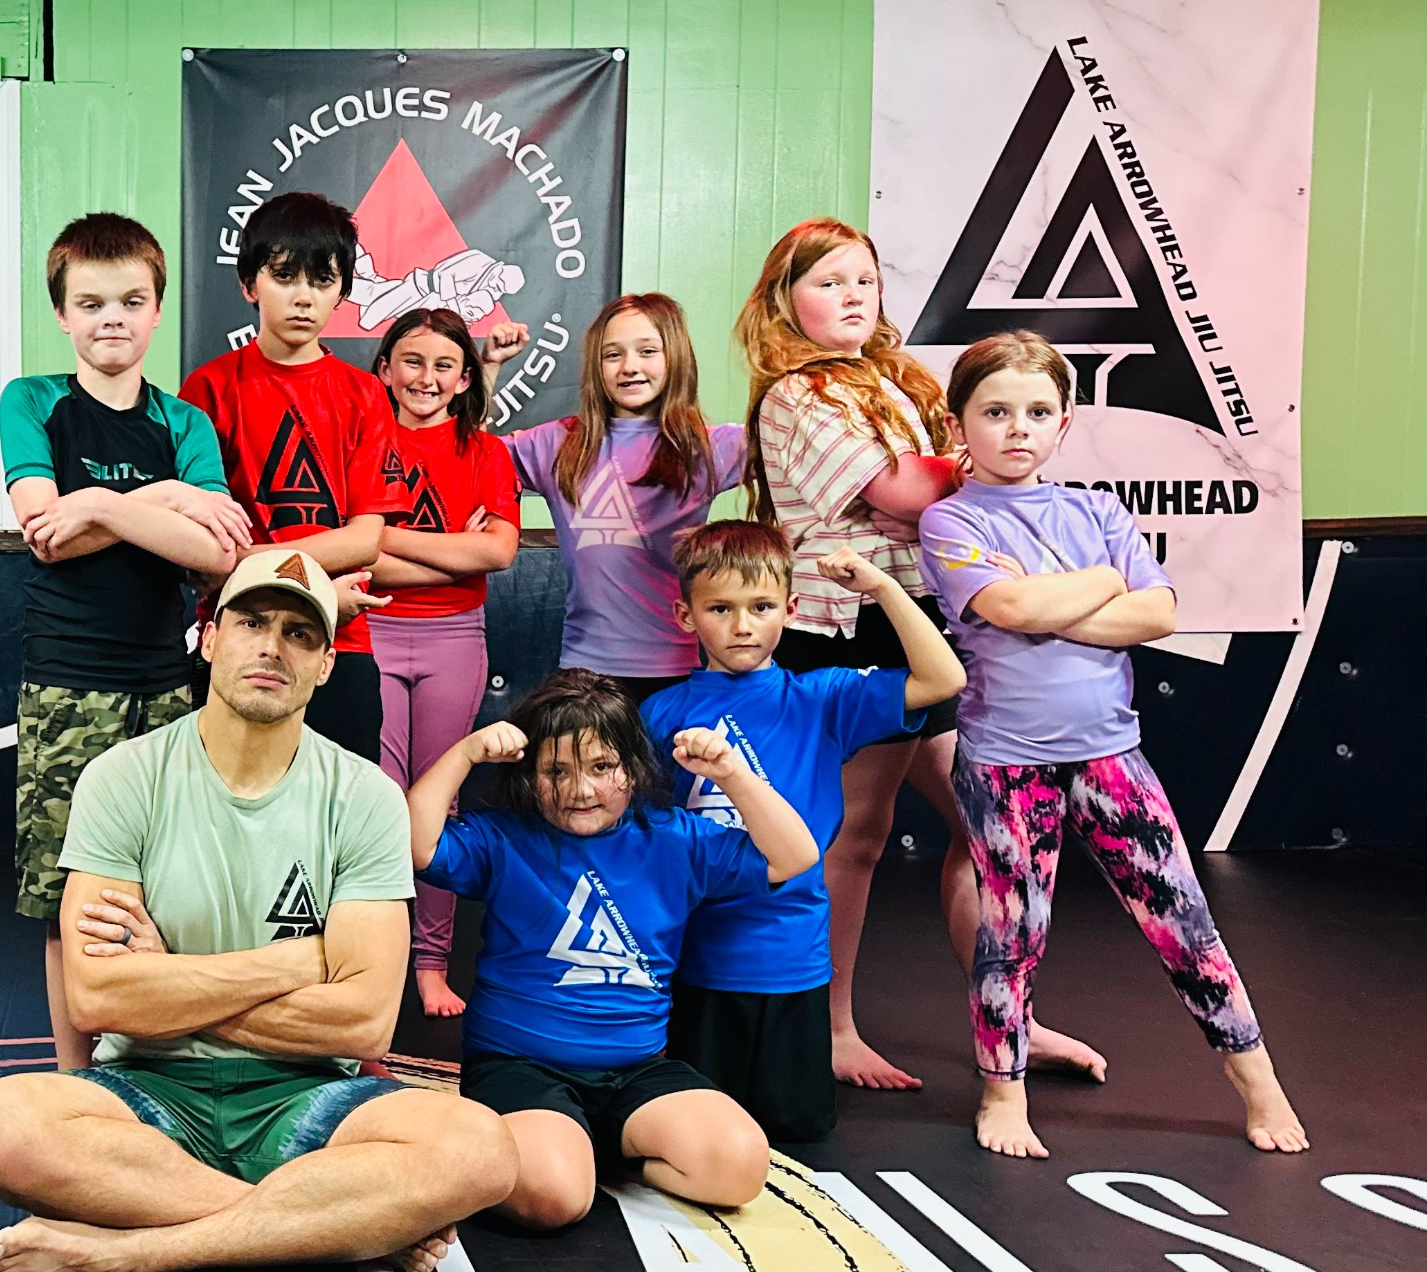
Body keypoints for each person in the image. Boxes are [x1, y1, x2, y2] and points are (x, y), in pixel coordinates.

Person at [0, 548, 516, 1272]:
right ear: (210, 638)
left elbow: (362, 1025)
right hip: (149, 1089)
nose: (272, 647)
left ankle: (136, 1249)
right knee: (0, 1123)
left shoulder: (365, 797)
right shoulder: (123, 777)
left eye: (299, 634)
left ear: (325, 665)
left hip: (310, 1096)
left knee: (479, 1147)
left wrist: (168, 979)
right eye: (252, 622)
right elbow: (96, 999)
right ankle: (324, 1226)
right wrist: (299, 961)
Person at [916, 332, 1305, 1159]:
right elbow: (1011, 608)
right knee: (1013, 930)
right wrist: (1100, 584)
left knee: (1182, 917)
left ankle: (1258, 1079)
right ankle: (1003, 1092)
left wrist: (1054, 602)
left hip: (1110, 753)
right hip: (1005, 760)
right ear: (959, 423)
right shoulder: (950, 519)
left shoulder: (1097, 512)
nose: (1017, 428)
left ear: (1063, 423)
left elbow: (1158, 613)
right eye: (996, 412)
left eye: (1037, 412)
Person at [734, 217, 1099, 1091]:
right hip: (850, 627)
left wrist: (956, 469)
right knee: (856, 834)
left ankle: (1012, 1015)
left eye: (864, 279)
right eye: (828, 282)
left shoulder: (896, 378)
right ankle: (830, 1026)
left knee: (985, 825)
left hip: (920, 621)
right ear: (785, 299)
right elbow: (902, 489)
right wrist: (972, 463)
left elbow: (934, 490)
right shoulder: (797, 394)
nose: (852, 296)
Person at [406, 670, 813, 1228]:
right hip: (520, 1065)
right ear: (529, 775)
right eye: (557, 771)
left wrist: (732, 774)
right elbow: (417, 845)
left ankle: (602, 1153)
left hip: (635, 1070)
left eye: (602, 767)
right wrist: (465, 754)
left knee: (737, 1168)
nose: (581, 790)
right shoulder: (505, 837)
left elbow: (795, 856)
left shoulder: (674, 838)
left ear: (634, 768)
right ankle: (556, 1151)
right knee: (554, 1197)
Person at [2, 212, 253, 1071]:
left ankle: (153, 1066)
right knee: (65, 898)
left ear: (156, 310)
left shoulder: (183, 422)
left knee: (163, 889)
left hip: (165, 687)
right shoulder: (33, 401)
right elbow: (46, 531)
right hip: (66, 683)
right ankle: (74, 1079)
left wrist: (103, 503)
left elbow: (216, 552)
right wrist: (166, 499)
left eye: (131, 301)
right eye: (91, 302)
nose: (112, 317)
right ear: (62, 313)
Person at [641, 521, 964, 1142]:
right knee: (698, 1133)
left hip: (793, 957)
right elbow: (644, 841)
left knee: (800, 1132)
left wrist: (882, 588)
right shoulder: (661, 713)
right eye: (721, 609)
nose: (743, 625)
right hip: (698, 959)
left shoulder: (822, 698)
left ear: (791, 610)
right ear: (685, 615)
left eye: (761, 607)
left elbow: (943, 680)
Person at [178, 192, 409, 762]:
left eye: (322, 280)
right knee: (223, 801)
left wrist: (249, 561)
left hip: (338, 638)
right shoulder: (208, 389)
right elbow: (197, 548)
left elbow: (364, 540)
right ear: (249, 284)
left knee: (339, 806)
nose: (304, 296)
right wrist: (303, 573)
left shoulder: (364, 395)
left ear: (342, 291)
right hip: (233, 635)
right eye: (284, 276)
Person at [363, 308, 522, 1018]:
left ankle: (430, 962)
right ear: (385, 368)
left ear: (464, 379)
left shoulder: (485, 452)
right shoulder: (364, 439)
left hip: (453, 637)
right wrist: (452, 552)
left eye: (443, 365)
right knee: (377, 801)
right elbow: (354, 553)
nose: (426, 377)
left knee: (438, 799)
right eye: (412, 360)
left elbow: (497, 552)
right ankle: (376, 955)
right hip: (370, 631)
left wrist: (386, 540)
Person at [503, 293, 744, 707]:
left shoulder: (710, 447)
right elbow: (466, 459)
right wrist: (490, 367)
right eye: (613, 355)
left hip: (677, 671)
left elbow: (800, 445)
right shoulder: (557, 442)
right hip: (584, 673)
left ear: (675, 358)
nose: (630, 366)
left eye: (647, 351)